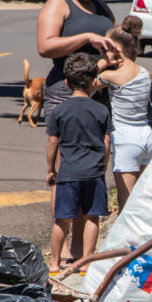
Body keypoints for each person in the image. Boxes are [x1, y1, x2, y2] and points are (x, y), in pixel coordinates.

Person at [36, 0, 116, 266]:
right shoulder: (60, 4)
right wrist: (86, 38)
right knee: (67, 173)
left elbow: (114, 43)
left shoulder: (102, 8)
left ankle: (81, 252)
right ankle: (63, 248)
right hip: (65, 94)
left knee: (90, 173)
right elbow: (45, 47)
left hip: (99, 96)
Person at [45, 53, 112, 273]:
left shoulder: (59, 110)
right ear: (94, 82)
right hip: (94, 173)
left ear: (66, 82)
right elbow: (106, 142)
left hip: (68, 173)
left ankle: (54, 264)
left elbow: (53, 142)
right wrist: (102, 165)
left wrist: (50, 170)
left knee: (61, 220)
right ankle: (86, 263)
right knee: (92, 217)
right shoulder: (101, 110)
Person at [98, 15, 152, 211]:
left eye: (106, 46)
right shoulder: (146, 74)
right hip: (147, 137)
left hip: (126, 139)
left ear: (116, 49)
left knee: (126, 204)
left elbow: (83, 87)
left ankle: (125, 242)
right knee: (140, 202)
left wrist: (103, 63)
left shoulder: (110, 75)